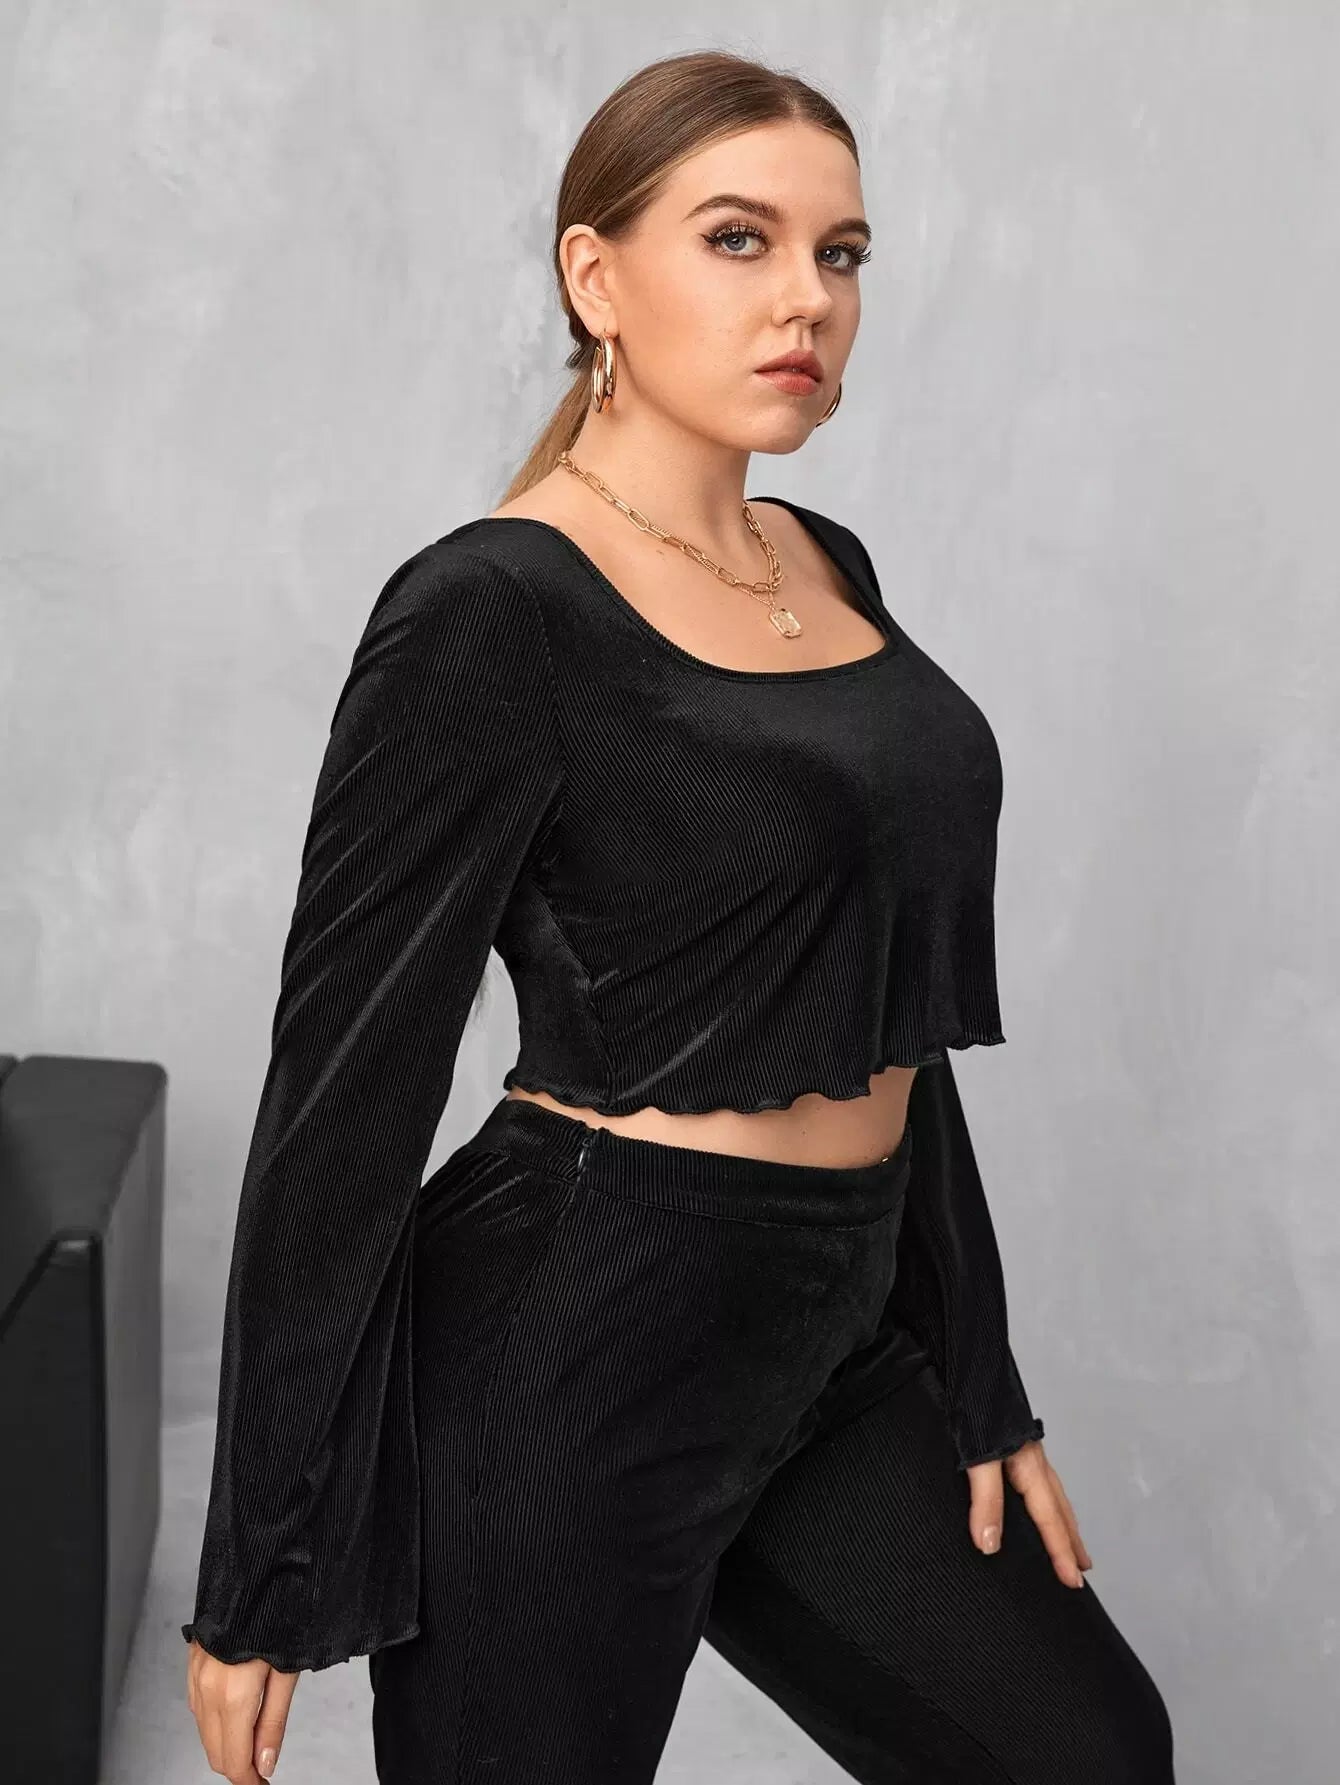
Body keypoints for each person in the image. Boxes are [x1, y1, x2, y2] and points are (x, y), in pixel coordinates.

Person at [183, 47, 1175, 1785]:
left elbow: (877, 1003)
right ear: (596, 276)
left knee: (1086, 1751)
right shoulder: (493, 608)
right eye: (739, 238)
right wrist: (258, 1563)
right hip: (575, 1339)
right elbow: (341, 1098)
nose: (808, 298)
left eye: (840, 252)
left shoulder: (825, 563)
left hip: (836, 1331)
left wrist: (977, 1363)